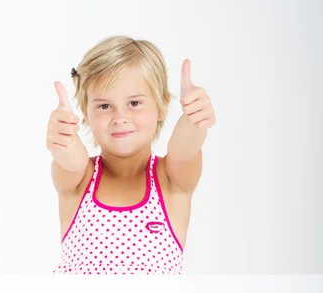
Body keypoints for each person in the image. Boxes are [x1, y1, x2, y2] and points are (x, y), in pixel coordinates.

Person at [46, 36, 214, 274]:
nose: (120, 117)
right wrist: (62, 138)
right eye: (104, 106)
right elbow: (71, 159)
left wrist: (195, 120)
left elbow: (184, 150)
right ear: (86, 113)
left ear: (162, 105)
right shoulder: (79, 178)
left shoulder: (171, 180)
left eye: (134, 103)